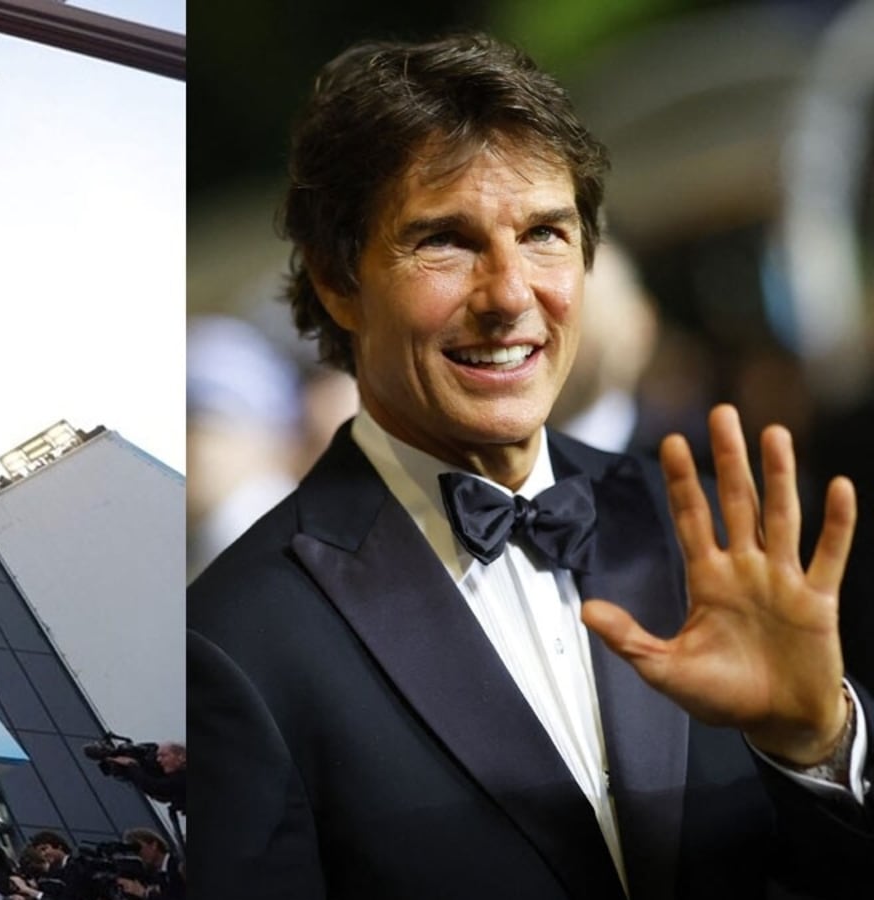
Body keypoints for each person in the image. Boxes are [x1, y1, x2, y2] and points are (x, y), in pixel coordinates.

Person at [187, 31, 874, 899]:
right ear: (335, 280)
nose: (510, 294)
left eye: (545, 233)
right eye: (445, 240)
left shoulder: (710, 538)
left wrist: (818, 746)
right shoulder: (234, 642)